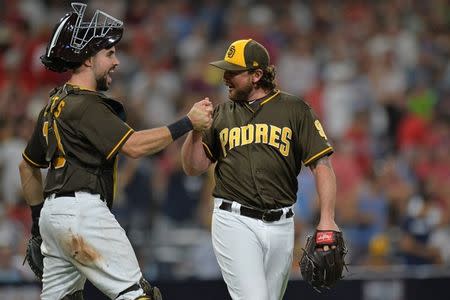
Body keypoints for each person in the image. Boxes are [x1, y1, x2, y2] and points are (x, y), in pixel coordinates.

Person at [18, 3, 212, 300]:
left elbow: (27, 167)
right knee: (139, 295)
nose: (116, 61)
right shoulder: (86, 104)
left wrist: (37, 224)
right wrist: (188, 122)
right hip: (84, 212)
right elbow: (134, 146)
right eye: (109, 53)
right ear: (86, 60)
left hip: (53, 216)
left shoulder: (52, 106)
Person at [181, 39, 340, 300]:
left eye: (233, 72)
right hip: (234, 220)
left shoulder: (294, 110)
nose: (225, 78)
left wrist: (327, 218)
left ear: (257, 75)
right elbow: (193, 167)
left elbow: (322, 165)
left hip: (282, 224)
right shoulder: (221, 114)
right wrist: (195, 130)